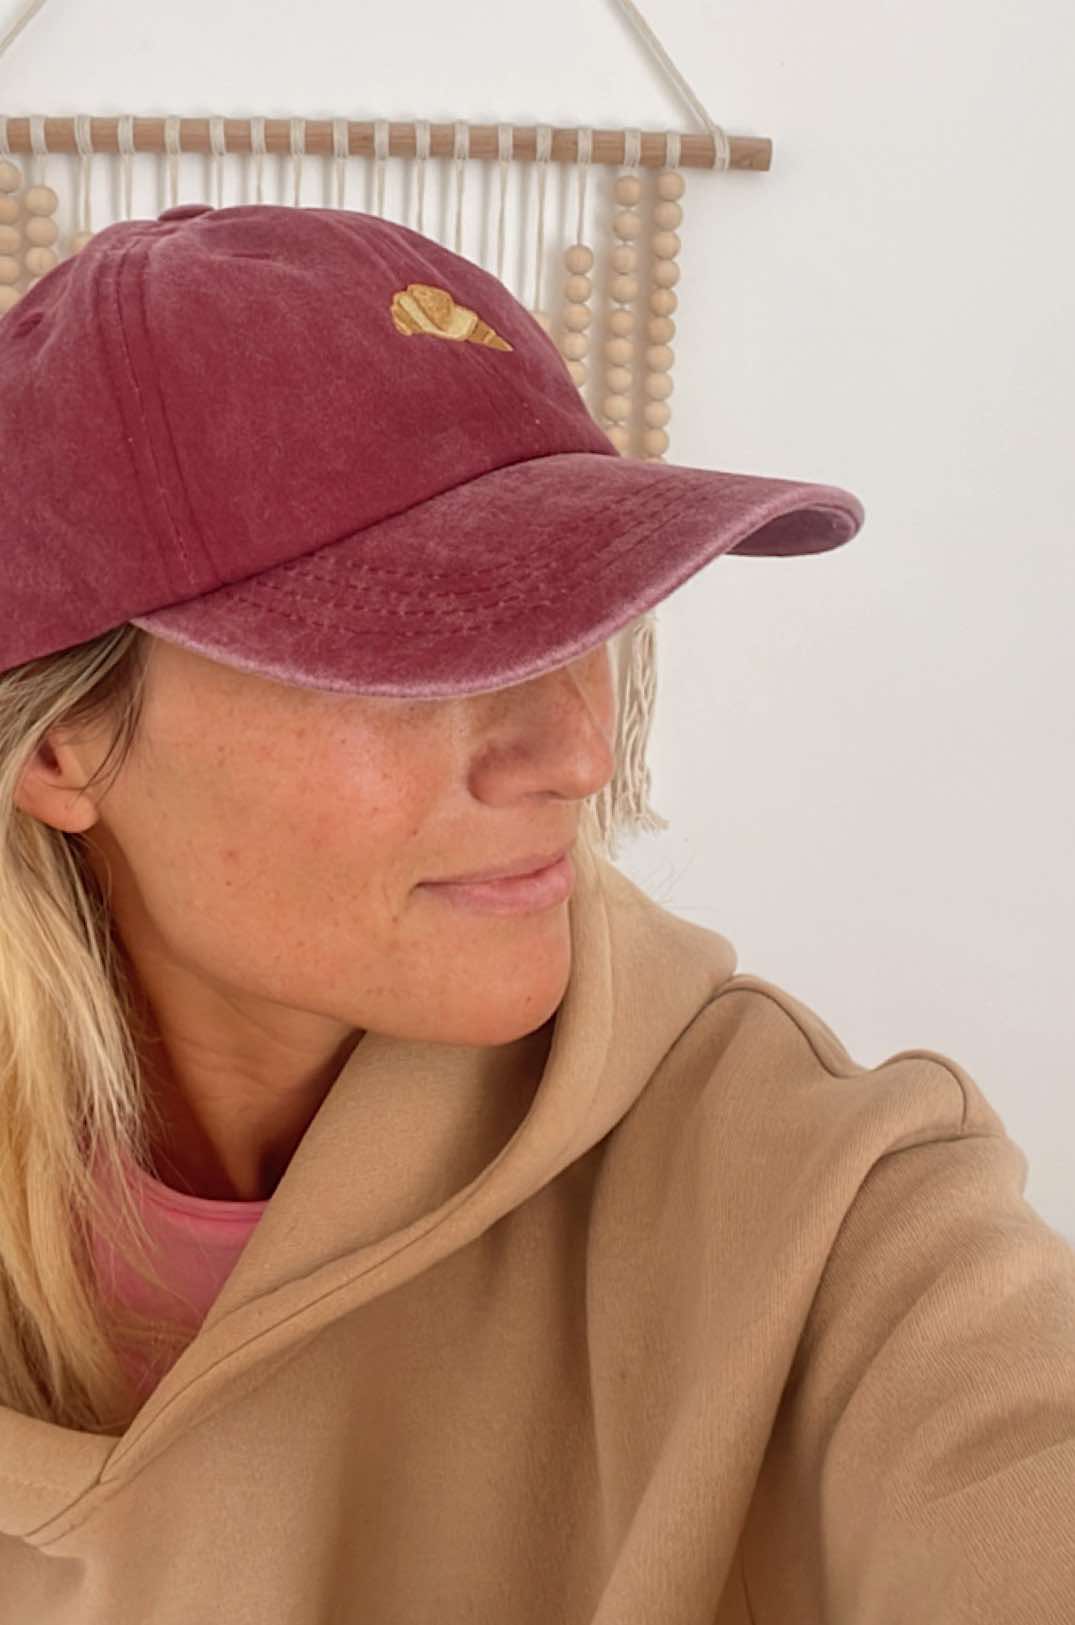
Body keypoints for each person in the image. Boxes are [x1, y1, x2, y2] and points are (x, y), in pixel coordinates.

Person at [0, 202, 1071, 1622]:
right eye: (413, 646)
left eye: (583, 620)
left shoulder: (818, 1196)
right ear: (62, 746)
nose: (575, 753)